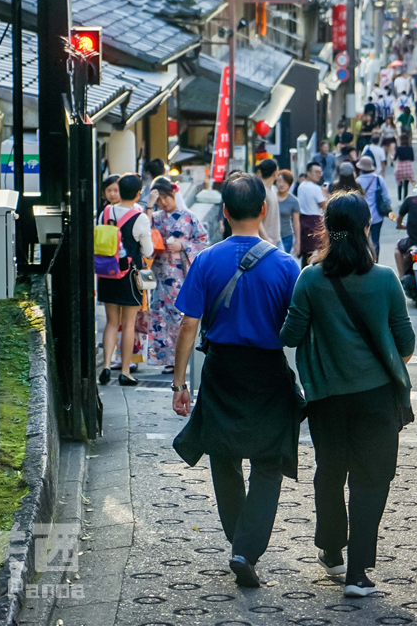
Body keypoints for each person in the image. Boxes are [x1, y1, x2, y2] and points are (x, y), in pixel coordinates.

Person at [171, 173, 304, 589]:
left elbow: (190, 323)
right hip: (267, 371)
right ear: (264, 210)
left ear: (224, 212)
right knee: (270, 460)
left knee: (222, 455)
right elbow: (298, 331)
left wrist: (179, 385)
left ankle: (239, 544)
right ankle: (247, 549)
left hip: (222, 370)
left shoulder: (207, 260)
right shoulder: (286, 266)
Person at [280, 192, 415, 598]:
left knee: (330, 471)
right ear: (366, 229)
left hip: (325, 398)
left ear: (326, 230)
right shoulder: (385, 279)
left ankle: (331, 550)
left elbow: (289, 336)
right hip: (376, 397)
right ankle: (357, 574)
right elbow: (406, 342)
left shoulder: (309, 278)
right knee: (371, 479)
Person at [136, 176, 208, 374]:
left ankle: (180, 359)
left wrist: (183, 245)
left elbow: (202, 240)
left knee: (179, 316)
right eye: (160, 200)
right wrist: (149, 206)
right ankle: (167, 359)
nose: (164, 202)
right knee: (160, 317)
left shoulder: (188, 216)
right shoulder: (156, 217)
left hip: (180, 274)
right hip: (160, 273)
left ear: (174, 193)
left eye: (166, 197)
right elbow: (144, 231)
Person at [98, 173, 154, 387]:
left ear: (119, 190)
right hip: (129, 276)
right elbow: (147, 250)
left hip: (107, 273)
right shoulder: (140, 218)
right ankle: (125, 371)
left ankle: (105, 367)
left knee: (112, 322)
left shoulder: (105, 212)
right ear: (139, 193)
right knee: (128, 324)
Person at [355, 155, 391, 259]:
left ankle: (363, 260)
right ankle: (375, 260)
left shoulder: (357, 181)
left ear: (361, 168)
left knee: (361, 240)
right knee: (375, 240)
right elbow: (386, 197)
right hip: (376, 216)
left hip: (361, 216)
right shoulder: (378, 179)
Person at [297, 162, 329, 266]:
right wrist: (325, 194)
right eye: (316, 172)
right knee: (316, 253)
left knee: (306, 253)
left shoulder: (301, 186)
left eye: (320, 172)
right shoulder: (315, 188)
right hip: (315, 222)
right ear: (308, 173)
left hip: (302, 221)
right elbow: (324, 206)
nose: (319, 174)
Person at [256, 158, 282, 248]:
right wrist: (266, 238)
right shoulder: (260, 190)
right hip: (266, 241)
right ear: (275, 173)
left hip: (276, 239)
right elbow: (256, 216)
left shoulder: (273, 189)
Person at [276, 169, 301, 256]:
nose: (281, 184)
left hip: (286, 236)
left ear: (290, 184)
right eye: (279, 181)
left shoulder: (293, 201)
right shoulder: (270, 197)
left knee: (282, 262)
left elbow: (296, 222)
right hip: (271, 235)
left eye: (285, 182)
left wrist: (297, 242)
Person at [393, 134, 415, 202]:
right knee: (406, 183)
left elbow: (395, 158)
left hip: (400, 166)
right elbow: (412, 159)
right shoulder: (410, 148)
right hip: (407, 166)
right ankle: (405, 197)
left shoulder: (399, 148)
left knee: (399, 181)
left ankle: (399, 195)